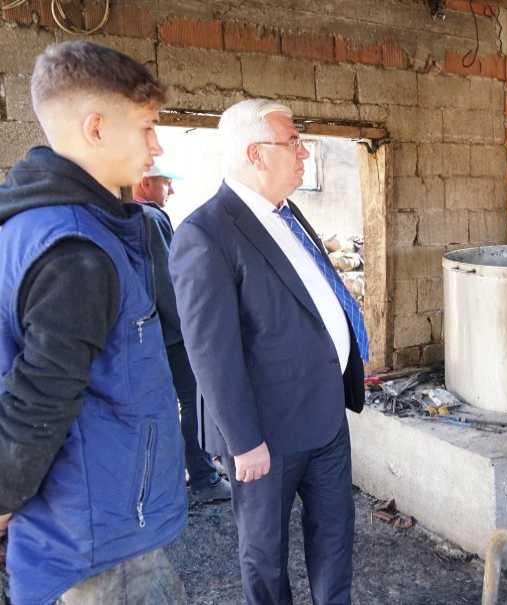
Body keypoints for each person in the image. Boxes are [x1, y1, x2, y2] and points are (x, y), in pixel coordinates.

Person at [0, 41, 187, 604]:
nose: (156, 145)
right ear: (97, 127)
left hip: (85, 520)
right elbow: (38, 399)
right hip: (98, 541)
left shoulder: (37, 224)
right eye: (147, 127)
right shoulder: (75, 249)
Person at [170, 99, 369, 605]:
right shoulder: (205, 233)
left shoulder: (287, 212)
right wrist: (244, 441)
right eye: (293, 142)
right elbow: (210, 351)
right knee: (265, 556)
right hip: (266, 434)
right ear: (256, 154)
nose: (304, 153)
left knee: (335, 539)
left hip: (325, 415)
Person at [133, 165, 232, 504]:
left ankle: (169, 483)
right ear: (145, 182)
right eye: (166, 183)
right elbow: (166, 282)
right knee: (193, 401)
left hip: (145, 333)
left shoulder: (125, 214)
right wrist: (192, 328)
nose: (171, 190)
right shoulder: (150, 218)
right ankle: (204, 479)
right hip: (171, 334)